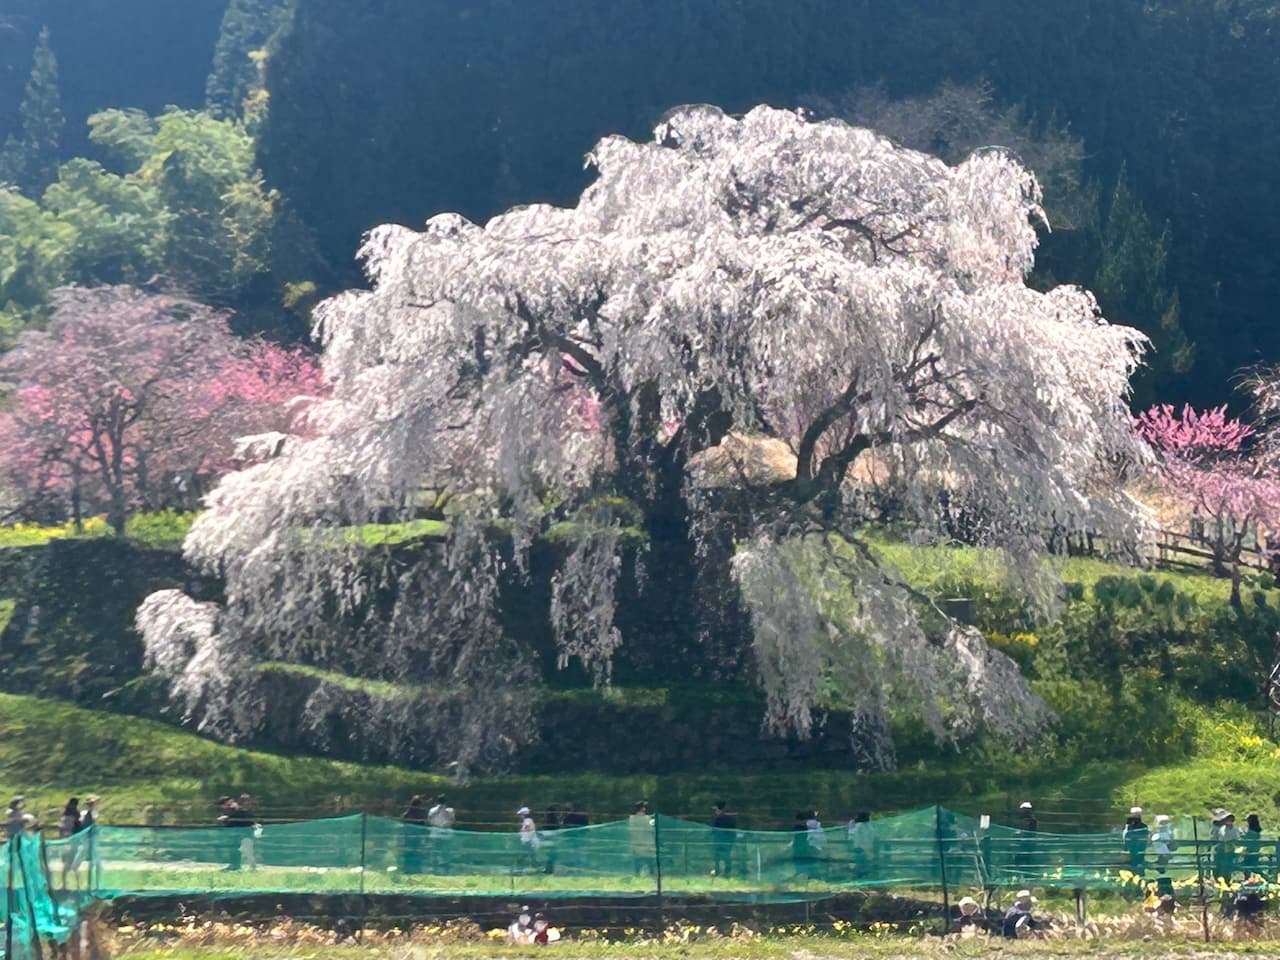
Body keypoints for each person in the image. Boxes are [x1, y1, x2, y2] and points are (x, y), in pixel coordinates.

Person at [1210, 809, 1240, 883]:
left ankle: (1227, 881)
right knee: (1218, 867)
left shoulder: (1235, 829)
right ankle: (1218, 880)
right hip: (1220, 850)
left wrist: (1231, 844)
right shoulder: (1222, 829)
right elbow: (1219, 838)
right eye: (1227, 819)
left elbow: (1237, 839)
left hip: (1230, 850)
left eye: (1230, 819)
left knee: (1227, 867)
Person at [427, 795, 455, 872]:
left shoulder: (432, 810)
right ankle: (446, 865)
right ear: (446, 802)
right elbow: (452, 821)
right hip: (446, 833)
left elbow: (429, 821)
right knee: (446, 850)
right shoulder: (450, 810)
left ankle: (434, 864)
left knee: (435, 849)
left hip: (435, 833)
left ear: (436, 802)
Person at [400, 795, 427, 875]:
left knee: (408, 852)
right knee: (416, 852)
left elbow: (403, 820)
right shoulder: (421, 813)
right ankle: (416, 869)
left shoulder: (407, 812)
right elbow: (423, 823)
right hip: (417, 836)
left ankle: (407, 869)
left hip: (408, 836)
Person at [847, 810, 878, 879]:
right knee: (865, 862)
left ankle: (859, 876)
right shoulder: (868, 826)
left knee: (860, 862)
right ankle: (864, 876)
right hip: (867, 846)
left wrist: (856, 846)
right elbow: (872, 836)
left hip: (860, 847)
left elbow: (854, 836)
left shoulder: (859, 825)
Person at [628, 801, 655, 877]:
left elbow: (631, 830)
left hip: (636, 843)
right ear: (642, 809)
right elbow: (651, 829)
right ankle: (651, 873)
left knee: (637, 860)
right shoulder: (647, 818)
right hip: (648, 843)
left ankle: (637, 874)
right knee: (649, 860)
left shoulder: (631, 818)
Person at [711, 800, 737, 878]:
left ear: (717, 808)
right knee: (717, 857)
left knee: (725, 856)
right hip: (720, 840)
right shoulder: (719, 818)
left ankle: (727, 872)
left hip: (725, 841)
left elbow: (731, 831)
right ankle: (718, 871)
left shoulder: (724, 818)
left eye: (715, 808)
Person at [1122, 806, 1149, 876]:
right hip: (1133, 848)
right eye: (1135, 814)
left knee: (1138, 862)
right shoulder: (1129, 826)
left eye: (1138, 814)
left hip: (1139, 848)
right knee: (1134, 863)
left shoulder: (1142, 826)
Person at [517, 806, 540, 870]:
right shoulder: (528, 820)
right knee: (531, 857)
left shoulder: (527, 820)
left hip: (530, 843)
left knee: (525, 856)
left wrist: (523, 830)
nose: (520, 816)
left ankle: (519, 868)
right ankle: (537, 867)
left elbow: (526, 827)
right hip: (530, 843)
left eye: (521, 815)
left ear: (524, 815)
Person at [541, 804, 562, 874]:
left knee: (549, 854)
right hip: (553, 839)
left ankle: (548, 869)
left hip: (548, 839)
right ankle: (550, 869)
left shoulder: (548, 820)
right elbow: (558, 828)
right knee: (551, 855)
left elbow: (544, 828)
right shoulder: (555, 820)